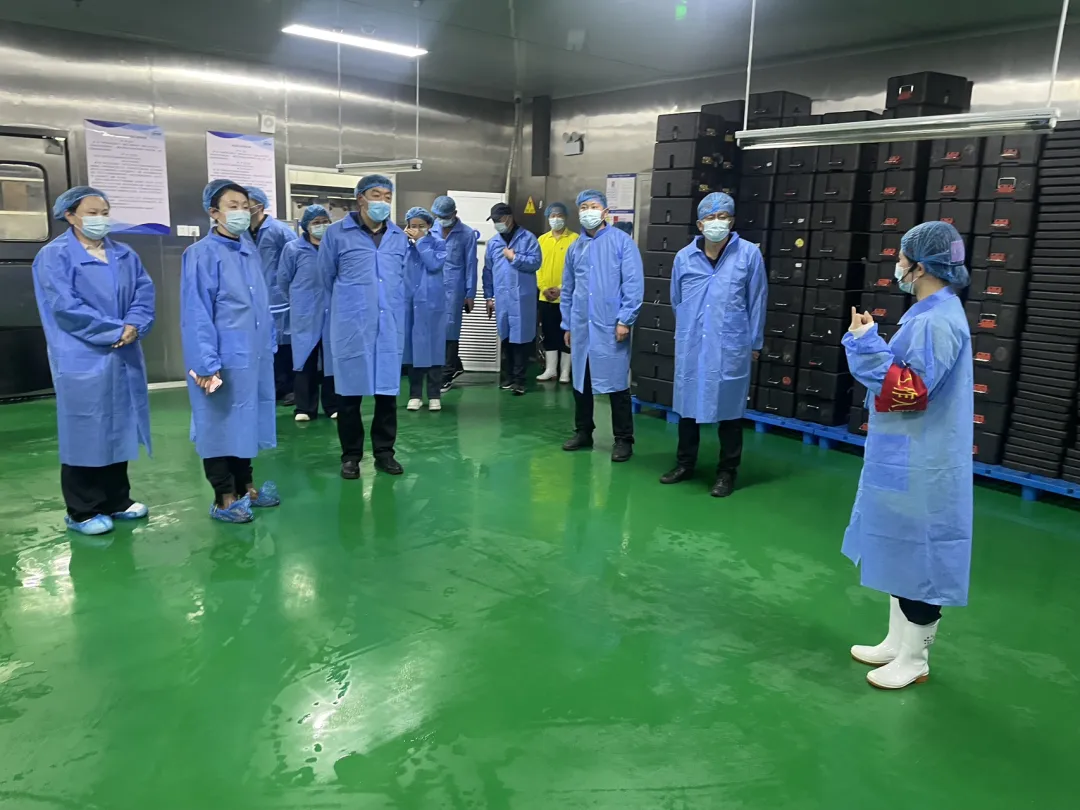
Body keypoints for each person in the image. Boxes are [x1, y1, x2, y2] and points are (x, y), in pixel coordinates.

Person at [842, 220, 973, 690]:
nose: (896, 265)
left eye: (901, 258)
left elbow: (910, 390)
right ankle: (897, 642)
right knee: (900, 549)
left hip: (924, 460)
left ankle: (915, 657)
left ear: (921, 267)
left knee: (920, 557)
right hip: (906, 453)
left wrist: (865, 345)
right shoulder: (925, 313)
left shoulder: (938, 320)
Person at [32, 186, 155, 536]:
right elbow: (65, 307)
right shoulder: (54, 256)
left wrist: (134, 325)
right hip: (82, 355)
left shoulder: (124, 254)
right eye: (92, 213)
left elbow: (144, 293)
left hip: (123, 352)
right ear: (70, 215)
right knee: (85, 430)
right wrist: (114, 331)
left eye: (104, 213)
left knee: (118, 426)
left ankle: (117, 500)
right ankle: (82, 510)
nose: (101, 219)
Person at [181, 180, 279, 523]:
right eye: (232, 206)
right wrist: (205, 363)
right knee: (218, 425)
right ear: (214, 212)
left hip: (251, 354)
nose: (241, 212)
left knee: (244, 420)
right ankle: (224, 497)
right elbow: (196, 313)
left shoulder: (248, 250)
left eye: (245, 207)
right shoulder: (201, 254)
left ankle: (245, 485)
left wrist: (268, 340)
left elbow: (260, 303)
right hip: (220, 356)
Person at [661, 192, 767, 497]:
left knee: (730, 411)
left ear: (731, 221)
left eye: (722, 217)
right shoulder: (684, 258)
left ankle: (727, 472)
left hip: (731, 344)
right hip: (693, 343)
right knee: (687, 408)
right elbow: (676, 300)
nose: (716, 223)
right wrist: (689, 328)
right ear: (699, 224)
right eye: (710, 217)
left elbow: (757, 301)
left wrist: (754, 342)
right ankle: (685, 463)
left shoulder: (748, 255)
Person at [319, 174, 408, 479]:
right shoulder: (336, 234)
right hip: (352, 325)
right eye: (376, 195)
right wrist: (352, 304)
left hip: (388, 324)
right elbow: (325, 277)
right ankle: (351, 456)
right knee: (349, 395)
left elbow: (401, 278)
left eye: (387, 197)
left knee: (387, 395)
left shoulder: (398, 237)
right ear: (360, 199)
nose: (382, 202)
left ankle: (384, 453)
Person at [560, 190, 643, 462]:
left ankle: (624, 439)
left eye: (593, 206)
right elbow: (568, 289)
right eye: (583, 207)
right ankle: (583, 431)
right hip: (582, 327)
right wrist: (568, 324)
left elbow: (633, 283)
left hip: (610, 325)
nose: (588, 211)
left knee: (617, 384)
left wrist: (625, 319)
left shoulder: (622, 242)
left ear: (605, 211)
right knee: (581, 382)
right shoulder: (575, 248)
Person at [278, 204, 338, 422]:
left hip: (333, 311)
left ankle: (333, 405)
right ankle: (304, 407)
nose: (321, 226)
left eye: (325, 221)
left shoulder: (335, 247)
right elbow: (283, 280)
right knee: (305, 359)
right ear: (306, 226)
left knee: (332, 359)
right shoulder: (293, 249)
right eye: (316, 222)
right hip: (305, 313)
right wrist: (299, 301)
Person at [246, 185, 299, 405]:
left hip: (280, 296)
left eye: (247, 204)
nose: (243, 208)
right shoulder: (242, 232)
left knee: (286, 344)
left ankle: (291, 388)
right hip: (256, 297)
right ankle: (273, 386)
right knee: (265, 345)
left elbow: (297, 257)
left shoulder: (279, 230)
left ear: (259, 206)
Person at [481, 202, 542, 395]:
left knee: (521, 339)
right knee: (506, 337)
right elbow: (488, 271)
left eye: (499, 220)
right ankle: (508, 376)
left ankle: (520, 380)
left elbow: (536, 262)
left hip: (522, 297)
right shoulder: (493, 243)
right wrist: (488, 297)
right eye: (494, 221)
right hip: (502, 298)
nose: (497, 224)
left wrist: (515, 258)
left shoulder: (528, 238)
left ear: (509, 218)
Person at [402, 206, 449, 411]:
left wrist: (421, 242)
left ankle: (434, 394)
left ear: (429, 225)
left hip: (432, 304)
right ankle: (415, 394)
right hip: (409, 303)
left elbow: (434, 265)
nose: (416, 229)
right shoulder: (403, 245)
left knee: (434, 349)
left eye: (421, 225)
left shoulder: (438, 243)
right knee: (413, 351)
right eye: (412, 226)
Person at [430, 195, 479, 392]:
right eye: (439, 216)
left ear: (454, 214)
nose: (442, 220)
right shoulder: (431, 229)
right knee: (434, 329)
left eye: (445, 216)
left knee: (450, 330)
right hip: (433, 287)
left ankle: (446, 375)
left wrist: (470, 294)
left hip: (454, 288)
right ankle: (455, 365)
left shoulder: (466, 234)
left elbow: (471, 265)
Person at [536, 201, 577, 383]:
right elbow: (537, 267)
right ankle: (551, 369)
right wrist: (544, 288)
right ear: (548, 218)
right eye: (553, 216)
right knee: (549, 332)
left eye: (559, 215)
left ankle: (565, 372)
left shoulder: (575, 239)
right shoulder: (542, 240)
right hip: (545, 297)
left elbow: (577, 269)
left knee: (567, 334)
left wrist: (561, 288)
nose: (556, 219)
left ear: (566, 217)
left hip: (567, 297)